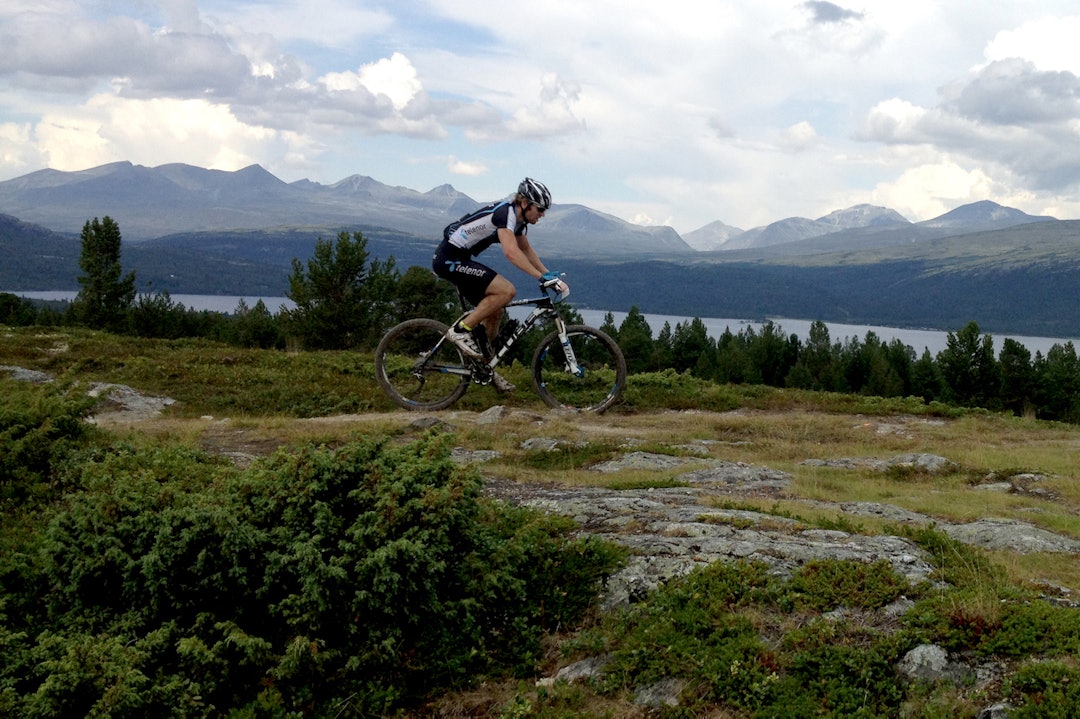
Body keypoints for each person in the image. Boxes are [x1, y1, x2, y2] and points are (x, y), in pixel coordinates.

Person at [432, 177, 567, 391]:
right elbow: (511, 253)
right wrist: (540, 278)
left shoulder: (520, 222)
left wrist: (548, 274)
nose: (542, 215)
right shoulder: (505, 215)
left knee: (495, 312)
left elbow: (526, 250)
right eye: (540, 209)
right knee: (507, 291)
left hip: (462, 259)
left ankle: (487, 368)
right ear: (524, 203)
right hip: (449, 260)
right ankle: (460, 330)